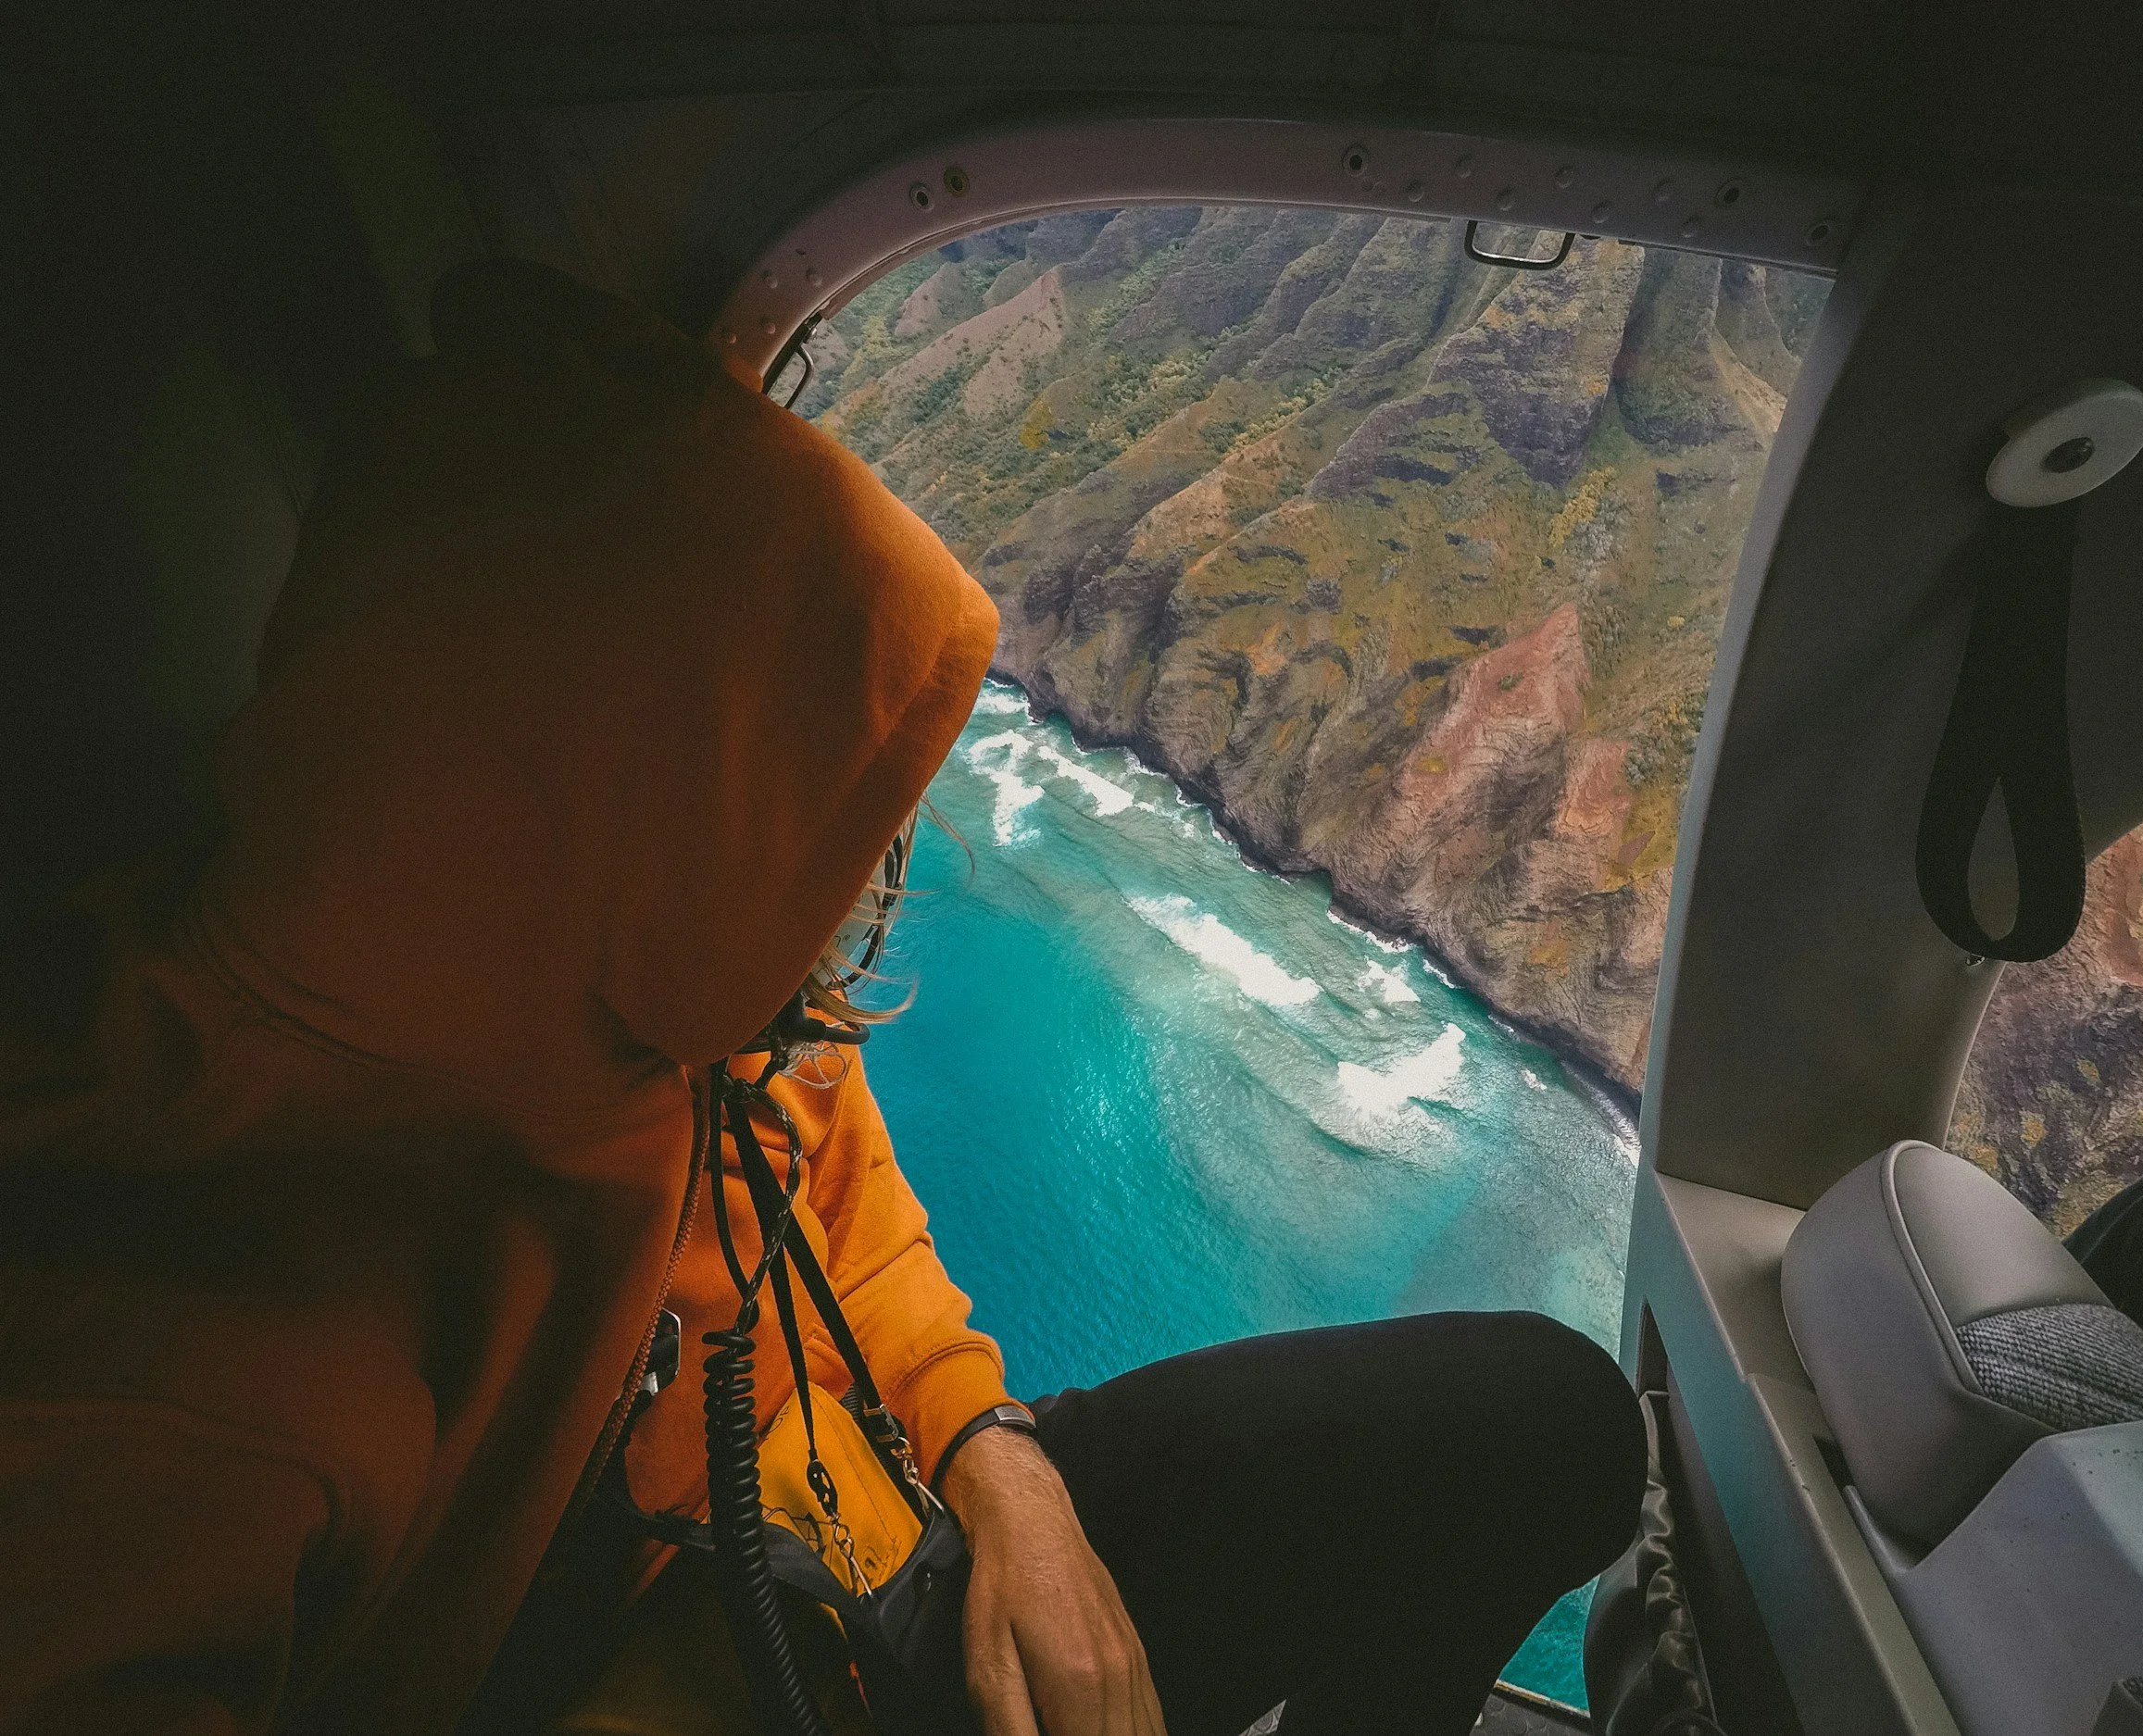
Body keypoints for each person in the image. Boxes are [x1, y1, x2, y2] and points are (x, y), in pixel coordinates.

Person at [0, 260, 1644, 1736]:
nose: (847, 897)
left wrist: (1000, 1462)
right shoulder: (167, 1388)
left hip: (887, 1508)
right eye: (802, 810)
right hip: (748, 1644)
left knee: (1552, 1423)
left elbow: (844, 1204)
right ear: (623, 797)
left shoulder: (662, 1006)